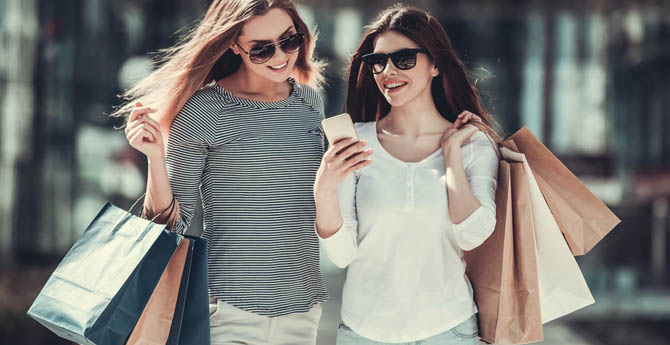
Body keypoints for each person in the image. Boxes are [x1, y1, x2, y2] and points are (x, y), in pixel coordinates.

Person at [114, 1, 328, 344]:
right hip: (227, 311)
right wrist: (156, 158)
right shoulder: (204, 110)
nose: (280, 56)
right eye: (261, 49)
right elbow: (170, 224)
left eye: (289, 40)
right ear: (233, 45)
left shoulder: (309, 103)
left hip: (302, 310)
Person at [314, 4, 500, 344]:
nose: (388, 71)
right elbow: (341, 255)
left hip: (449, 330)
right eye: (377, 62)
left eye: (404, 59)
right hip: (363, 332)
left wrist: (451, 155)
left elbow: (472, 235)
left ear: (436, 64)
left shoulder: (473, 145)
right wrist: (324, 191)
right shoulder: (356, 142)